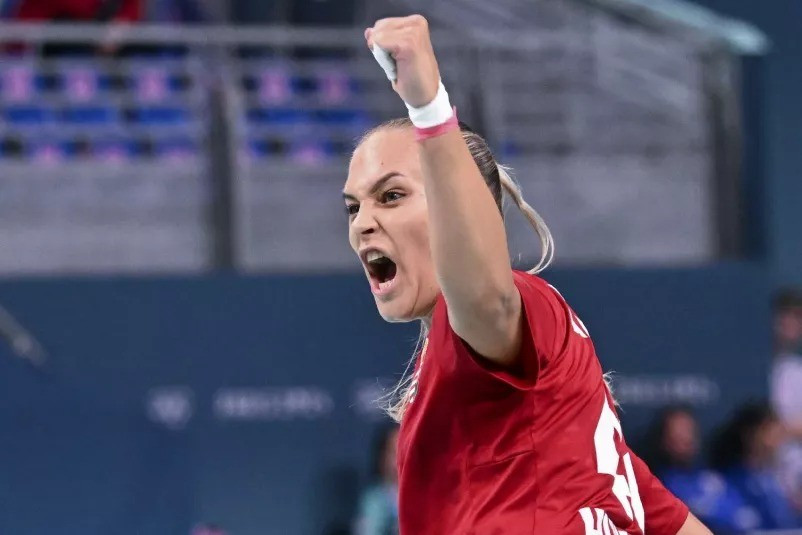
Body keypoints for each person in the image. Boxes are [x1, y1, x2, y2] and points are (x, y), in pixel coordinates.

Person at [342, 14, 711, 535]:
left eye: (392, 195)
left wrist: (428, 106)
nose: (362, 223)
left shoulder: (523, 304)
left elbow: (485, 299)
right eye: (353, 207)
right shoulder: (571, 429)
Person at [645, 406, 759, 533]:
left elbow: (746, 515)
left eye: (689, 432)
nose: (687, 439)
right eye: (679, 434)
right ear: (665, 439)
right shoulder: (660, 484)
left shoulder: (712, 477)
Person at [711, 403, 800, 530]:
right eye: (769, 431)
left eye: (779, 432)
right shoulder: (731, 481)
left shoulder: (777, 478)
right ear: (750, 435)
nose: (777, 439)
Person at [771, 287, 802, 511]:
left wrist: (781, 429)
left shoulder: (796, 370)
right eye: (785, 315)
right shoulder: (755, 366)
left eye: (797, 317)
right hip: (765, 472)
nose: (790, 323)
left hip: (794, 467)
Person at [354, 425, 400, 535]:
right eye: (394, 453)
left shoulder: (426, 496)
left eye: (406, 451)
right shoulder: (374, 500)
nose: (400, 459)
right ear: (383, 457)